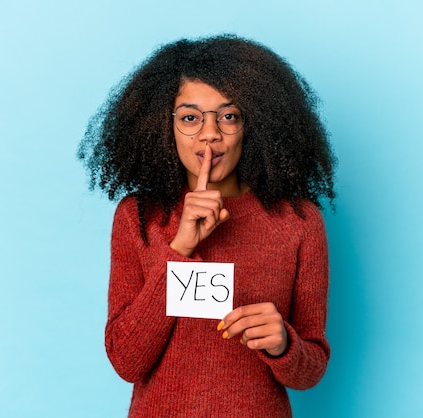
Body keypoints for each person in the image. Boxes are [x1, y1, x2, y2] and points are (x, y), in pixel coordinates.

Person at [78, 34, 336, 417]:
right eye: (190, 117)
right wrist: (179, 249)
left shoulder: (298, 222)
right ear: (162, 126)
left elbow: (310, 370)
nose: (210, 133)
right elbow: (126, 361)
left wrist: (284, 344)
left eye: (229, 116)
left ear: (255, 124)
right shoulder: (139, 217)